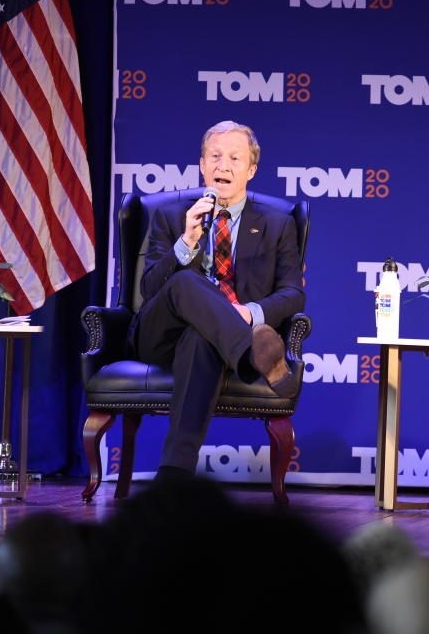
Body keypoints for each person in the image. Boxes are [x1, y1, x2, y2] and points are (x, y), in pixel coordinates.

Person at [127, 120, 305, 480]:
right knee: (185, 282)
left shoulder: (277, 224)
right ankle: (253, 351)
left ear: (251, 170)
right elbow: (148, 289)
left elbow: (293, 293)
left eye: (234, 158)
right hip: (159, 336)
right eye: (215, 156)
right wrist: (187, 242)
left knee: (200, 340)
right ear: (202, 165)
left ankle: (173, 475)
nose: (223, 165)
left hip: (214, 341)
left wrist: (249, 312)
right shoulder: (173, 215)